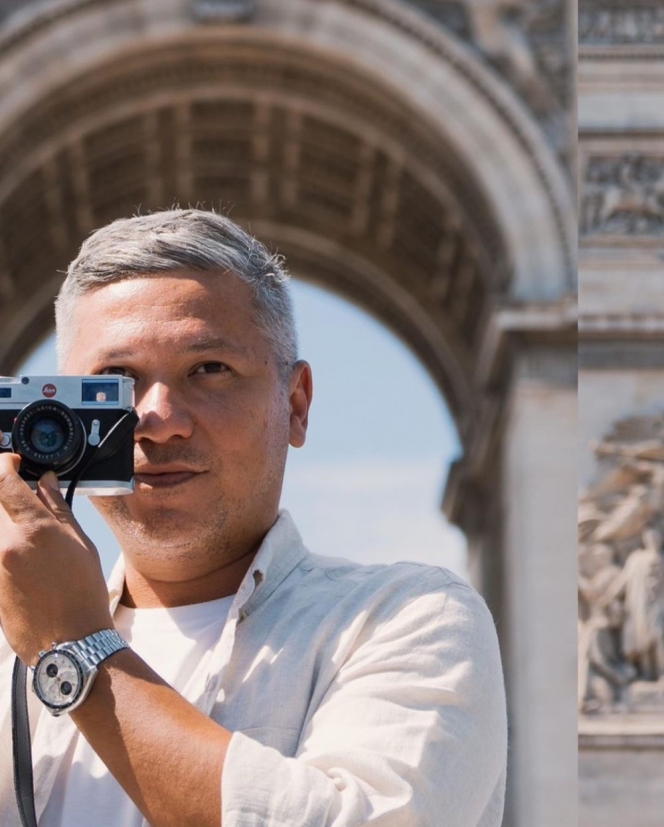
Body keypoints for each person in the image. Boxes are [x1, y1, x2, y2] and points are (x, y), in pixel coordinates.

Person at [0, 209, 507, 826]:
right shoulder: (9, 660)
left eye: (209, 370)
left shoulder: (411, 617)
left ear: (295, 405)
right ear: (62, 411)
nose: (159, 419)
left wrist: (73, 646)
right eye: (115, 379)